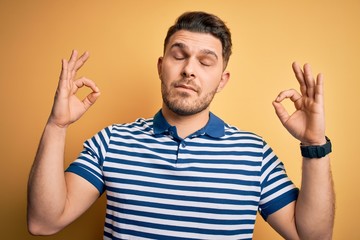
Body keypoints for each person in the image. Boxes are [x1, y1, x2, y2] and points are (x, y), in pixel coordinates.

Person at [27, 11, 335, 240]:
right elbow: (44, 222)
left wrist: (314, 144)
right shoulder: (111, 142)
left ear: (222, 80)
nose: (189, 69)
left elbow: (312, 237)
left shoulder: (254, 154)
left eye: (205, 61)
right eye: (179, 55)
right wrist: (56, 126)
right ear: (161, 66)